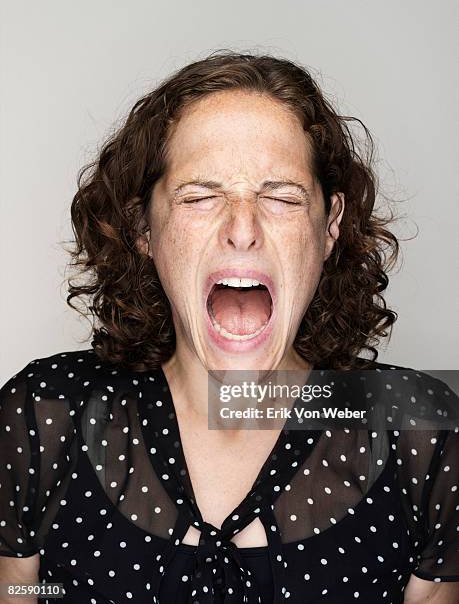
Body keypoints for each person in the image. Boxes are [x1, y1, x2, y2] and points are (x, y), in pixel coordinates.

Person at [0, 51, 458, 604]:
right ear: (144, 226)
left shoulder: (422, 430)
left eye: (283, 197)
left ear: (330, 225)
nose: (242, 230)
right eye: (199, 196)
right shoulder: (43, 412)